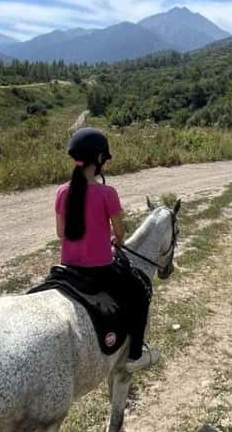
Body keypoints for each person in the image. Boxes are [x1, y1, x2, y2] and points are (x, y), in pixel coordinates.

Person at [55, 127, 160, 374]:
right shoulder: (107, 193)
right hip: (100, 270)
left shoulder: (62, 192)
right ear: (100, 158)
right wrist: (116, 240)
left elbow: (61, 233)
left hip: (68, 269)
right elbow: (120, 233)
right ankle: (135, 355)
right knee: (140, 294)